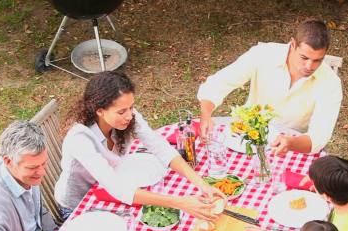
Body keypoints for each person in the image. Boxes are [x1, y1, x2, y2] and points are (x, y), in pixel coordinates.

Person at [54, 70, 224, 222]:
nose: (129, 116)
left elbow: (160, 147)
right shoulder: (80, 139)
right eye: (121, 112)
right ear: (99, 110)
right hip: (80, 205)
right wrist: (180, 203)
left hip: (110, 190)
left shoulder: (127, 116)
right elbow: (117, 188)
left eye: (131, 107)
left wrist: (201, 184)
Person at [197, 19, 342, 155]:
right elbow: (218, 83)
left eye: (317, 60)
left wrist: (290, 143)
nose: (309, 66)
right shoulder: (264, 54)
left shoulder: (330, 83)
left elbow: (319, 137)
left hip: (292, 147)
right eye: (304, 58)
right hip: (246, 139)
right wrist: (206, 115)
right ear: (292, 44)